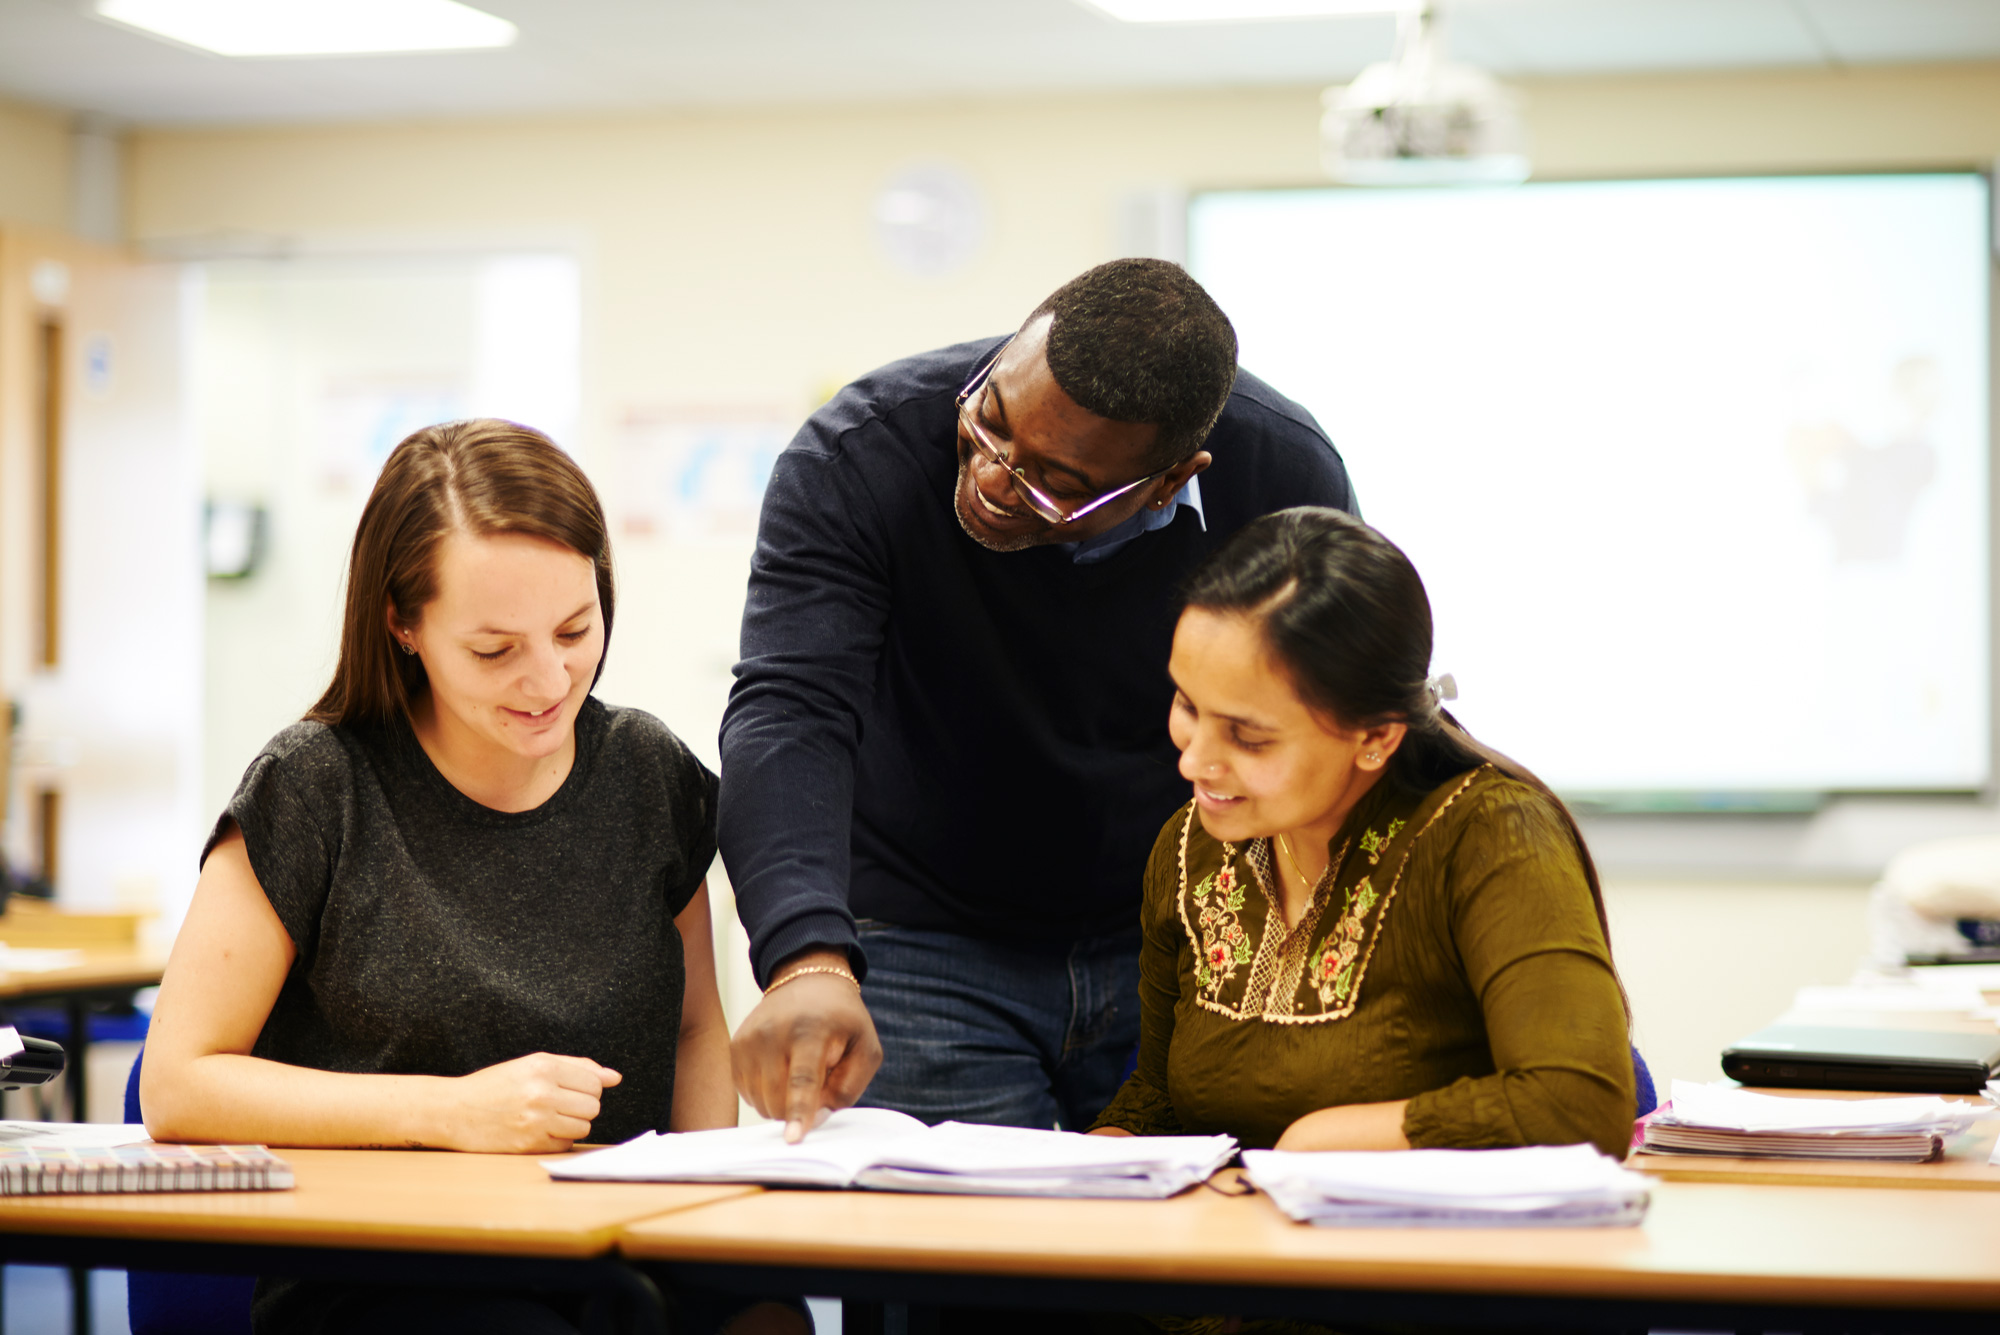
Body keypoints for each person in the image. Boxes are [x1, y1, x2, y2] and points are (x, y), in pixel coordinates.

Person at [143, 420, 799, 1335]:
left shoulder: (648, 772)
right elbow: (179, 1084)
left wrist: (710, 1220)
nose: (548, 678)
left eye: (575, 628)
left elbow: (694, 1029)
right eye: (494, 650)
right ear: (402, 624)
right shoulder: (317, 784)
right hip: (393, 1268)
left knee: (767, 1321)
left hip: (616, 1251)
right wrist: (450, 1110)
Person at [722, 259, 1357, 1140]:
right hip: (925, 931)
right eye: (991, 419)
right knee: (952, 1265)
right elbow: (793, 709)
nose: (991, 475)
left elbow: (1340, 717)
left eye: (1054, 482)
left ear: (1169, 480)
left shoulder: (1282, 477)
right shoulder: (862, 452)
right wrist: (806, 957)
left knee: (1190, 1254)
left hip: (1186, 933)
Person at [1090, 507, 1635, 1159]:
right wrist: (1100, 1155)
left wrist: (1324, 1138)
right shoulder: (1193, 846)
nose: (1192, 759)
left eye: (1248, 736)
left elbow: (1577, 1103)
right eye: (1187, 705)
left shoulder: (1490, 834)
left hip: (1428, 1253)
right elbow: (1160, 1092)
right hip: (1239, 1245)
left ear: (1376, 737)